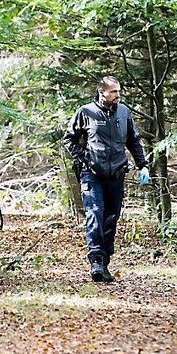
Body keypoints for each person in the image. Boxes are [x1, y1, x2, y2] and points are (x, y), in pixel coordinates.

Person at [62, 76, 150, 282]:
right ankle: (96, 261)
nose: (118, 95)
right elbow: (69, 139)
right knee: (95, 215)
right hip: (92, 175)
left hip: (116, 175)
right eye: (114, 92)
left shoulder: (123, 112)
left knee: (111, 218)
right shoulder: (85, 113)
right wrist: (85, 158)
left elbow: (133, 141)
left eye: (118, 92)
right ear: (102, 92)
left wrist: (142, 165)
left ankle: (105, 261)